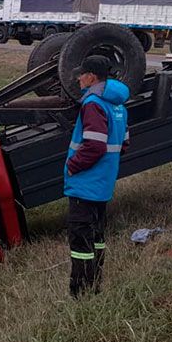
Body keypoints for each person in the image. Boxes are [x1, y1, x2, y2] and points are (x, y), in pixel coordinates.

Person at [64, 56, 129, 298]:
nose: (79, 78)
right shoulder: (118, 105)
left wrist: (73, 165)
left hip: (85, 185)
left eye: (82, 74)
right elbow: (124, 143)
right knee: (97, 237)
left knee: (80, 241)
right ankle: (95, 285)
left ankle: (80, 293)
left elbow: (95, 145)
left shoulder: (93, 104)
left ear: (92, 77)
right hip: (102, 184)